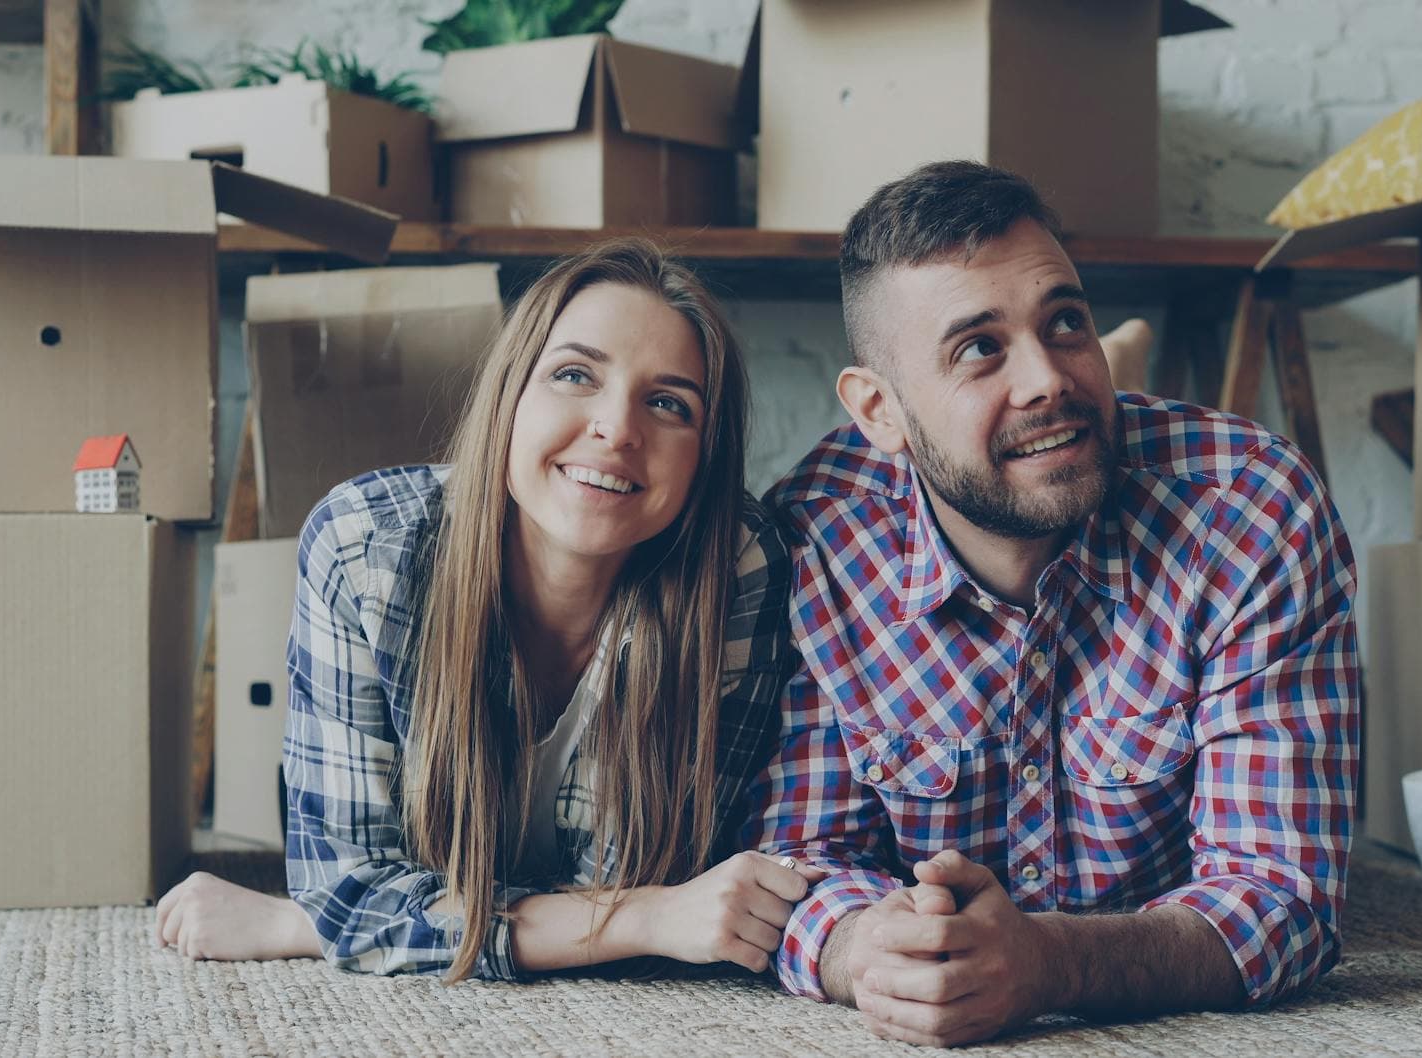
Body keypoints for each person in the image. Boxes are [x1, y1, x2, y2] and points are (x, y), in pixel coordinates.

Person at [749, 161, 1360, 1046]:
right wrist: (871, 950)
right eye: (980, 348)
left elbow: (1283, 896)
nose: (1048, 377)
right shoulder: (815, 542)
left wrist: (1048, 963)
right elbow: (802, 861)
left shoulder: (1252, 508)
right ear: (879, 411)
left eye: (1066, 323)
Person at [156, 239, 817, 979]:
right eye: (575, 375)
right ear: (508, 396)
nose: (617, 428)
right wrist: (643, 917)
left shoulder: (738, 569)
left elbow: (669, 880)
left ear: (706, 456)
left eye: (668, 403)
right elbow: (353, 891)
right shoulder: (362, 547)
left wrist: (314, 924)